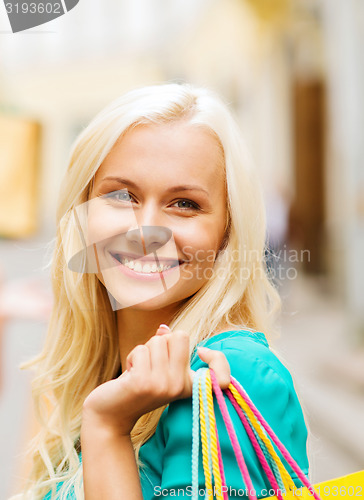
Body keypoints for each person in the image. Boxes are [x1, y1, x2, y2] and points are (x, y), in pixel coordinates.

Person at [11, 83, 309, 499]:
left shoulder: (227, 378)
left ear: (227, 233)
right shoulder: (75, 374)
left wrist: (108, 427)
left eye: (184, 203)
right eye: (121, 196)